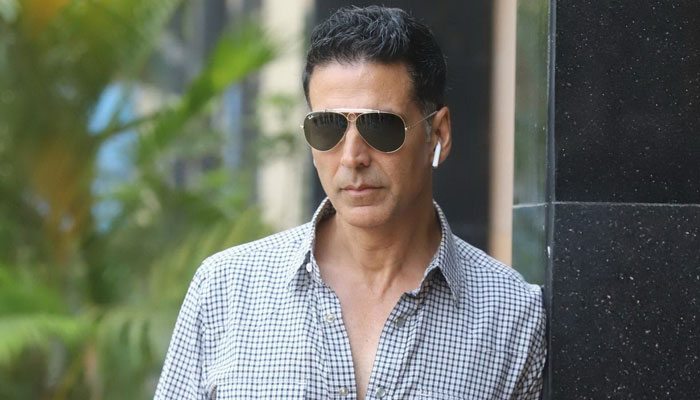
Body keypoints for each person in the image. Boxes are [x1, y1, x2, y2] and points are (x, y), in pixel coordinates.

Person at [154, 6, 546, 400]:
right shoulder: (225, 289)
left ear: (438, 134)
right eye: (327, 127)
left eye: (381, 126)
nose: (352, 157)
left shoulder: (511, 315)